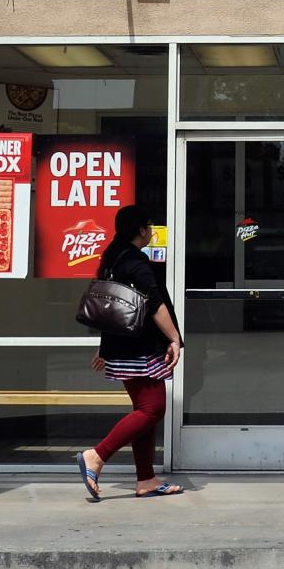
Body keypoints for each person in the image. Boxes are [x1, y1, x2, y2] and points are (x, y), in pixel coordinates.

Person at [76, 205, 184, 499]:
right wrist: (174, 338)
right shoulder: (136, 262)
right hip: (141, 349)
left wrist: (105, 347)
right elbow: (154, 303)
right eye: (149, 226)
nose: (151, 231)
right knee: (153, 409)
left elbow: (109, 307)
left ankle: (146, 479)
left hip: (122, 347)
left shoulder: (112, 258)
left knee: (144, 411)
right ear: (141, 230)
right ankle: (97, 456)